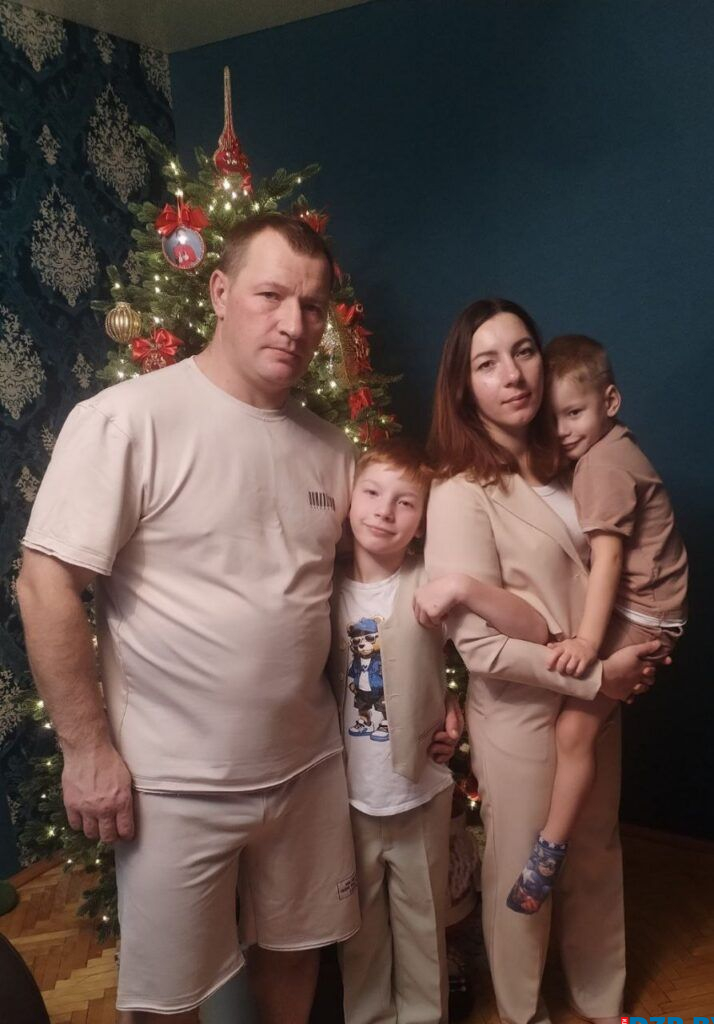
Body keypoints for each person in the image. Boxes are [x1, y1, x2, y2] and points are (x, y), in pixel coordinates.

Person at [17, 214, 362, 1024]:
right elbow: (44, 584)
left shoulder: (333, 450)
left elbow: (356, 599)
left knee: (296, 957)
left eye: (312, 306)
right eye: (271, 295)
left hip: (308, 765)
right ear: (218, 291)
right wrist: (86, 750)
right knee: (167, 1001)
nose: (294, 323)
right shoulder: (128, 420)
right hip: (174, 785)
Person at [423, 297, 666, 1024]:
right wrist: (595, 672)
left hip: (597, 702)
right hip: (522, 717)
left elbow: (626, 568)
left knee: (594, 852)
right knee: (523, 868)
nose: (513, 373)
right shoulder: (459, 491)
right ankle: (523, 1011)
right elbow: (479, 645)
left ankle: (601, 1001)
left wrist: (634, 650)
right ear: (464, 386)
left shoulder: (579, 457)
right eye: (487, 362)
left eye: (523, 350)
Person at [331, 439, 544, 1024]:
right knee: (360, 935)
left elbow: (530, 627)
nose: (383, 511)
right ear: (349, 500)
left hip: (418, 791)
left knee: (423, 926)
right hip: (344, 799)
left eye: (405, 502)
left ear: (423, 521)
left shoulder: (430, 582)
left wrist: (466, 590)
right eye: (371, 493)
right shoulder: (321, 585)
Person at [506, 334, 688, 914]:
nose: (562, 431)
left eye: (574, 413)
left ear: (610, 401)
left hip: (643, 613)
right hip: (652, 608)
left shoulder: (601, 467)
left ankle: (547, 856)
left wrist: (589, 640)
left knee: (572, 731)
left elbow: (607, 559)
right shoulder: (614, 448)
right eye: (552, 418)